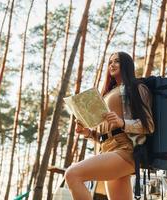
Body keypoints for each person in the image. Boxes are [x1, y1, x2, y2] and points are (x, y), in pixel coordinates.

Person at [65, 52, 154, 200]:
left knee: (72, 174)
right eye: (110, 62)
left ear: (126, 65)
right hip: (107, 149)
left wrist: (123, 123)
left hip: (126, 149)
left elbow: (148, 125)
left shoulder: (136, 87)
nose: (112, 65)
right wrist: (88, 133)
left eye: (117, 61)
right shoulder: (107, 93)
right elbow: (107, 133)